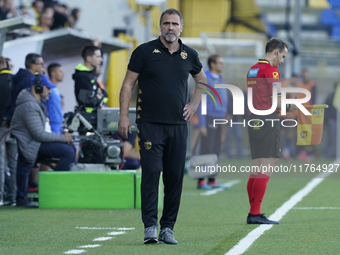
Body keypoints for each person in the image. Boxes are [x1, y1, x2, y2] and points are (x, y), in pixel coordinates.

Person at [118, 8, 206, 245]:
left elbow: (202, 81)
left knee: (175, 178)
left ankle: (168, 228)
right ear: (160, 26)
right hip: (149, 124)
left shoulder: (190, 55)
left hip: (178, 125)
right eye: (166, 23)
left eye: (174, 24)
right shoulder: (144, 51)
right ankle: (150, 227)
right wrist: (123, 116)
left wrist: (195, 103)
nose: (170, 27)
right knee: (151, 174)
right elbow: (127, 85)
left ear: (181, 27)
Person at [246, 38, 296, 224]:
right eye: (282, 56)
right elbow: (277, 101)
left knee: (256, 168)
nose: (282, 61)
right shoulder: (271, 71)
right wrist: (294, 107)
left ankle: (254, 211)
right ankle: (255, 213)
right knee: (265, 168)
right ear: (276, 52)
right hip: (267, 120)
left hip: (254, 119)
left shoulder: (252, 69)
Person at [10, 74, 75, 207]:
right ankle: (55, 191)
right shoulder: (29, 105)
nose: (50, 91)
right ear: (38, 87)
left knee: (70, 149)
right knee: (68, 151)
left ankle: (54, 190)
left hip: (34, 143)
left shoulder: (36, 102)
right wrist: (63, 138)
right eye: (48, 88)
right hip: (30, 145)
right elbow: (39, 134)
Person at [196, 54, 228, 190]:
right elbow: (201, 102)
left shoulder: (220, 79)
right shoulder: (206, 79)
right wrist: (202, 124)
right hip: (209, 118)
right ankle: (201, 181)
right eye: (220, 62)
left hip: (219, 119)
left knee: (215, 150)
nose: (223, 65)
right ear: (213, 64)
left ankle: (212, 179)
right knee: (206, 150)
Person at [72, 45, 107, 163]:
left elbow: (103, 95)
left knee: (97, 150)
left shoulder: (90, 75)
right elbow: (88, 100)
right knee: (89, 151)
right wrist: (98, 97)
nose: (101, 59)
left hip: (94, 118)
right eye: (98, 56)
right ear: (88, 58)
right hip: (87, 119)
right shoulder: (82, 76)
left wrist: (98, 97)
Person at [7, 53, 45, 126]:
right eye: (41, 64)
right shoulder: (30, 81)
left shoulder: (20, 77)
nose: (43, 66)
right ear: (33, 66)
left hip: (11, 117)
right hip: (18, 121)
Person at [0, 56, 13, 206]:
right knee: (10, 164)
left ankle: (1, 196)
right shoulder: (14, 80)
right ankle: (12, 195)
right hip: (11, 125)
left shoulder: (3, 81)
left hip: (2, 126)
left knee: (1, 162)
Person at [47, 63, 64, 133]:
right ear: (53, 73)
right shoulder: (48, 89)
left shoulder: (55, 88)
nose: (63, 74)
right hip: (52, 125)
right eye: (60, 72)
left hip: (58, 124)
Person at [324, 83, 338, 158]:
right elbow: (325, 108)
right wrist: (328, 119)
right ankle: (328, 154)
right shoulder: (330, 97)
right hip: (333, 120)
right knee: (331, 139)